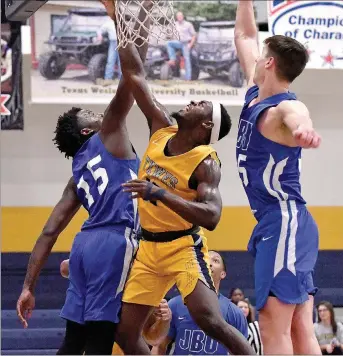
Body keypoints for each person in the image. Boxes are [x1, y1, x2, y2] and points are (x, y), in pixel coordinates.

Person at [103, 3, 253, 355]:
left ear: (205, 126)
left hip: (183, 247)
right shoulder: (160, 127)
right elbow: (135, 75)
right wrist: (119, 19)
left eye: (200, 103)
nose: (192, 100)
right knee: (124, 335)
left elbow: (212, 217)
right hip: (148, 248)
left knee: (210, 320)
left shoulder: (205, 163)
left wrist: (159, 193)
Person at [16, 6, 152, 355]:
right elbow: (132, 77)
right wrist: (134, 23)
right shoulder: (109, 133)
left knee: (74, 337)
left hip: (82, 246)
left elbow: (49, 231)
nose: (96, 112)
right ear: (89, 129)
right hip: (112, 241)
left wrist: (27, 286)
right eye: (89, 115)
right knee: (101, 333)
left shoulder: (77, 173)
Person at [234, 1, 322, 355]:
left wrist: (304, 130)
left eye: (260, 57)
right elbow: (244, 34)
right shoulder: (256, 95)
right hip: (288, 223)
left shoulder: (280, 110)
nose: (254, 59)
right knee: (301, 330)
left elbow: (296, 112)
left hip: (284, 221)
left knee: (273, 327)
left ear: (269, 63)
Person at [147, 250, 248, 355]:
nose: (209, 263)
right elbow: (159, 346)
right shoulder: (175, 305)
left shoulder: (235, 313)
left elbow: (241, 352)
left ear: (223, 274)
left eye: (215, 261)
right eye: (205, 259)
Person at [166, 11, 196, 81]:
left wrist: (190, 45)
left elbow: (194, 35)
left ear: (183, 17)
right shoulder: (175, 24)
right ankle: (172, 59)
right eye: (178, 16)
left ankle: (188, 78)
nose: (179, 17)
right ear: (177, 17)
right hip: (178, 42)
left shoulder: (188, 24)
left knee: (186, 60)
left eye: (181, 16)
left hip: (186, 44)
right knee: (169, 43)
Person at [98, 15, 122, 85]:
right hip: (113, 43)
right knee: (110, 61)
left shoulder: (123, 22)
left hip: (122, 43)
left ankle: (121, 79)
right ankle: (108, 79)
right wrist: (99, 35)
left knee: (121, 62)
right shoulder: (108, 23)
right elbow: (100, 30)